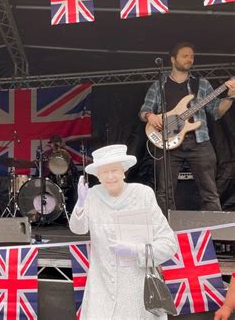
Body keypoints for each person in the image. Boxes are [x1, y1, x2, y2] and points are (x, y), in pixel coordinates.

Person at [69, 144, 177, 319]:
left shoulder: (143, 194)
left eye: (115, 170)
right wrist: (80, 204)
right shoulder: (93, 195)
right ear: (97, 175)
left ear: (124, 171)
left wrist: (137, 251)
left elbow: (169, 244)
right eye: (104, 172)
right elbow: (78, 229)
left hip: (137, 290)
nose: (110, 176)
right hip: (101, 288)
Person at [139, 42, 235, 213]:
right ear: (172, 59)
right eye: (185, 56)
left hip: (199, 141)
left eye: (192, 56)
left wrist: (229, 97)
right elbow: (144, 111)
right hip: (167, 141)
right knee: (164, 192)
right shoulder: (159, 85)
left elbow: (216, 112)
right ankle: (167, 230)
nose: (190, 59)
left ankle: (213, 230)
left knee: (210, 191)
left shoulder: (202, 84)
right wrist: (150, 116)